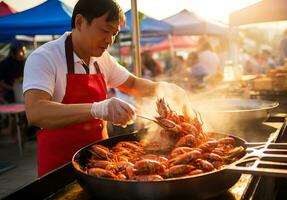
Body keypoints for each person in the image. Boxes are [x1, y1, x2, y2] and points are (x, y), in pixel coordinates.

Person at [23, 0, 188, 177]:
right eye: (105, 30)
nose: (110, 40)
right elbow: (36, 111)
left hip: (102, 165)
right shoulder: (44, 57)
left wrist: (165, 89)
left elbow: (132, 84)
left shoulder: (102, 59)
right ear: (79, 22)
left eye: (114, 34)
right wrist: (99, 108)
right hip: (59, 168)